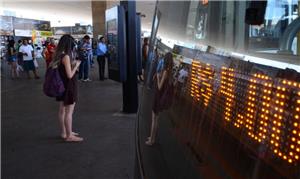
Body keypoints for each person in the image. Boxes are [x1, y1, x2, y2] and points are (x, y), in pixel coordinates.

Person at [51, 34, 83, 142]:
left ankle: (64, 132)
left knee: (62, 110)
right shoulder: (66, 56)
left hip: (61, 86)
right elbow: (70, 75)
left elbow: (63, 70)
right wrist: (77, 65)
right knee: (69, 112)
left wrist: (72, 64)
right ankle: (69, 136)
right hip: (69, 86)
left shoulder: (58, 55)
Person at [146, 52, 174, 146]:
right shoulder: (169, 71)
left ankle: (152, 140)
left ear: (165, 60)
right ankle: (152, 137)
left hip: (158, 96)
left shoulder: (165, 71)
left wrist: (158, 77)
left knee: (154, 119)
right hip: (160, 96)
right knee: (155, 118)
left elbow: (159, 86)